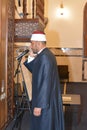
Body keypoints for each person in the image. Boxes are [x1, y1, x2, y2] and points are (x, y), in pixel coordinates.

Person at [22, 30, 65, 130]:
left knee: (43, 126)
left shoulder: (44, 57)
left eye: (32, 43)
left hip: (45, 103)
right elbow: (36, 71)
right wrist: (31, 57)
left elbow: (44, 83)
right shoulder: (45, 55)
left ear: (38, 43)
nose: (31, 46)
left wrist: (39, 106)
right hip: (46, 100)